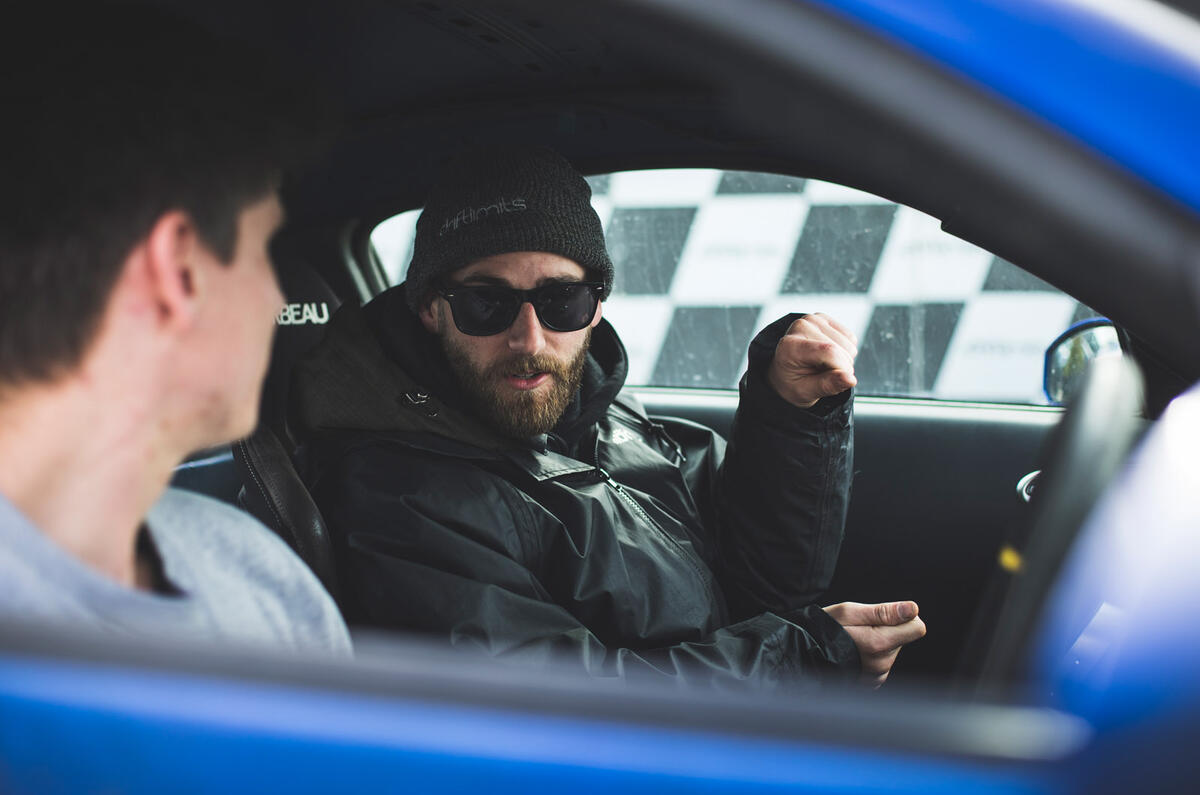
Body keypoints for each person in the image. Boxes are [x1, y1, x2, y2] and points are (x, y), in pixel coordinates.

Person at [293, 146, 923, 685]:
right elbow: (563, 711)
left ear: (596, 306)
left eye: (560, 299)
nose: (530, 339)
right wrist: (796, 665)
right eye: (487, 304)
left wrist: (788, 416)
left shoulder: (597, 406)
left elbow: (764, 586)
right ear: (431, 309)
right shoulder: (400, 496)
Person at [0, 6, 350, 654]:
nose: (277, 296)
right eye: (263, 249)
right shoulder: (265, 596)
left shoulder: (266, 575)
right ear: (180, 271)